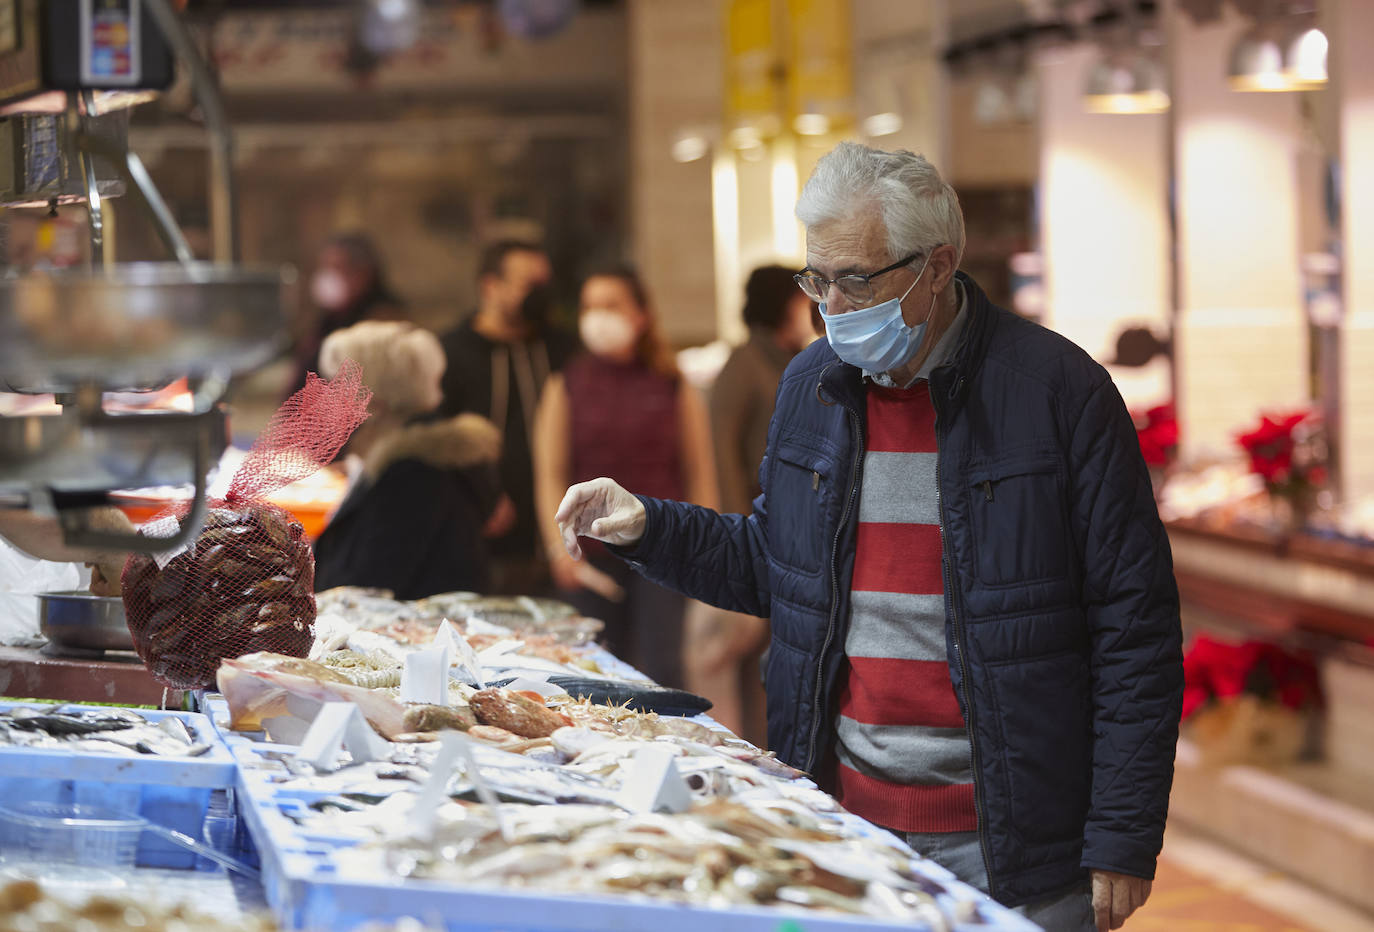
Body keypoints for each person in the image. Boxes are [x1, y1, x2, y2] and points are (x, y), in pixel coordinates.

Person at [555, 143, 1182, 932]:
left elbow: (1136, 630)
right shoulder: (810, 387)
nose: (833, 304)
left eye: (857, 279)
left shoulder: (1058, 394)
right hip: (847, 829)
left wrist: (1122, 833)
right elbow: (779, 570)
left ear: (938, 264)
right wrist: (650, 525)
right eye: (817, 279)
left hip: (1016, 848)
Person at [533, 267, 717, 689]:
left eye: (611, 305)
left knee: (662, 671)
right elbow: (550, 475)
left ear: (640, 315)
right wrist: (556, 548)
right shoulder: (567, 383)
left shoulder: (672, 384)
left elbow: (700, 473)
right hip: (588, 555)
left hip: (663, 550)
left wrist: (706, 550)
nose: (598, 316)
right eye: (589, 306)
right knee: (588, 675)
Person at [695, 265, 816, 742]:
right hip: (758, 527)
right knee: (757, 654)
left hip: (795, 529)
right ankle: (760, 744)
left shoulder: (792, 358)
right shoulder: (744, 365)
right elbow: (721, 452)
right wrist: (736, 530)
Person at [313, 321, 502, 600]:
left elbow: (366, 585)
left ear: (377, 397)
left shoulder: (413, 471)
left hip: (419, 634)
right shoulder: (409, 456)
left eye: (342, 386)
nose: (330, 398)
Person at [439, 241, 577, 595]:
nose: (539, 296)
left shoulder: (564, 350)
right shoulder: (450, 353)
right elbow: (437, 439)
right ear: (490, 286)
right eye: (528, 285)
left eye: (543, 285)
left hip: (559, 540)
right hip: (481, 541)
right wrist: (478, 492)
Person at [290, 232, 406, 396]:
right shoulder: (327, 320)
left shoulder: (385, 321)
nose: (328, 278)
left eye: (336, 268)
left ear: (363, 274)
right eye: (324, 268)